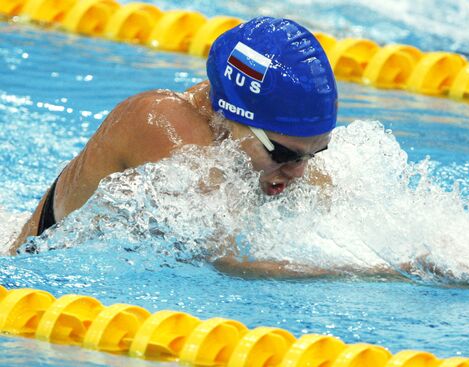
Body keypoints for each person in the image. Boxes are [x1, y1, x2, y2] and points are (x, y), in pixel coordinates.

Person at [9, 17, 338, 273]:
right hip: (39, 284)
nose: (299, 171)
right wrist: (360, 273)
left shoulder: (256, 143)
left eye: (313, 154)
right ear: (233, 116)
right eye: (285, 154)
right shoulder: (159, 123)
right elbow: (228, 260)